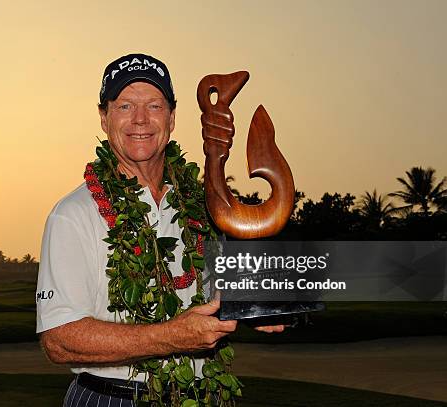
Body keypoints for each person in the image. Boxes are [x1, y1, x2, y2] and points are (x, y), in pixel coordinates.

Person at [36, 53, 284, 406]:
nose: (140, 119)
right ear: (104, 119)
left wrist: (261, 303)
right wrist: (171, 337)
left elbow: (222, 291)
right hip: (113, 399)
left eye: (154, 105)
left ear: (171, 118)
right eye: (124, 106)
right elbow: (59, 341)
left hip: (204, 396)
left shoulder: (203, 206)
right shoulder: (73, 215)